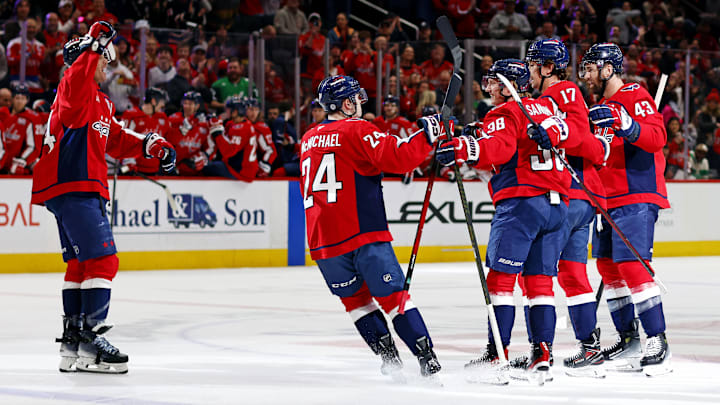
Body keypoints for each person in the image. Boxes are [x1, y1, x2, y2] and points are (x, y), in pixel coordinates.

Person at [30, 22, 176, 374]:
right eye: (102, 60)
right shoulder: (73, 87)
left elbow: (114, 137)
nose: (106, 66)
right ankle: (93, 339)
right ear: (86, 59)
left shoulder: (98, 101)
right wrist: (93, 44)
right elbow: (77, 76)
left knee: (81, 265)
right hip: (75, 184)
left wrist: (148, 144)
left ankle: (74, 343)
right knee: (105, 261)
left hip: (78, 186)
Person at [436, 59, 571, 381]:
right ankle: (542, 354)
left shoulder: (503, 112)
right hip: (556, 207)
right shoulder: (544, 109)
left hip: (522, 204)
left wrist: (463, 147)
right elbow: (559, 133)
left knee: (500, 281)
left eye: (494, 82)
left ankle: (497, 355)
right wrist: (477, 137)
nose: (489, 88)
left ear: (509, 84)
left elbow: (498, 148)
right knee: (539, 283)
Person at [302, 75, 443, 378]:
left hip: (322, 241)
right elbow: (399, 157)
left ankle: (389, 359)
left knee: (356, 303)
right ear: (346, 102)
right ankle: (425, 357)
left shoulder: (308, 138)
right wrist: (428, 135)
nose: (360, 104)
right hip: (362, 232)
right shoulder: (357, 129)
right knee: (394, 298)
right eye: (356, 98)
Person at [582, 42, 672, 376]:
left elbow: (656, 137)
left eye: (591, 69)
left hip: (635, 194)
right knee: (607, 266)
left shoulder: (635, 94)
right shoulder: (599, 106)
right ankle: (628, 339)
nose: (587, 75)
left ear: (608, 69)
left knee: (633, 266)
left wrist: (626, 123)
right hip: (606, 200)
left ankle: (657, 339)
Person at [522, 39, 610, 378]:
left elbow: (575, 133)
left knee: (538, 273)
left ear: (547, 67)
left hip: (565, 198)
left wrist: (554, 130)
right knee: (573, 273)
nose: (529, 73)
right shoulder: (544, 100)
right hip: (581, 199)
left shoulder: (564, 92)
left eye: (533, 66)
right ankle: (590, 348)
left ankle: (540, 351)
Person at [203, 96, 258, 181]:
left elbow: (228, 152)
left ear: (235, 111)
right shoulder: (239, 123)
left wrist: (217, 133)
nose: (226, 111)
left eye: (228, 109)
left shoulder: (240, 129)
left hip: (240, 172)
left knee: (204, 167)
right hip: (241, 167)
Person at [120, 87, 173, 175]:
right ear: (153, 101)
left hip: (155, 170)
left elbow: (167, 141)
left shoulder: (162, 118)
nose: (163, 105)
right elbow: (123, 141)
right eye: (161, 102)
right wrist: (129, 162)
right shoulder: (132, 115)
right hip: (134, 170)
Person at [167, 90, 213, 176]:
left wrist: (203, 157)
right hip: (174, 168)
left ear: (197, 106)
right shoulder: (173, 119)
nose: (186, 106)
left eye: (190, 104)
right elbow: (168, 141)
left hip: (195, 170)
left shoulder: (203, 124)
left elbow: (210, 148)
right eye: (185, 103)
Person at [0, 84, 36, 174]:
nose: (19, 101)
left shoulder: (29, 120)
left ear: (27, 100)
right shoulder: (3, 115)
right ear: (12, 99)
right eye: (17, 98)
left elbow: (31, 146)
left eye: (23, 98)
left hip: (13, 166)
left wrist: (21, 160)